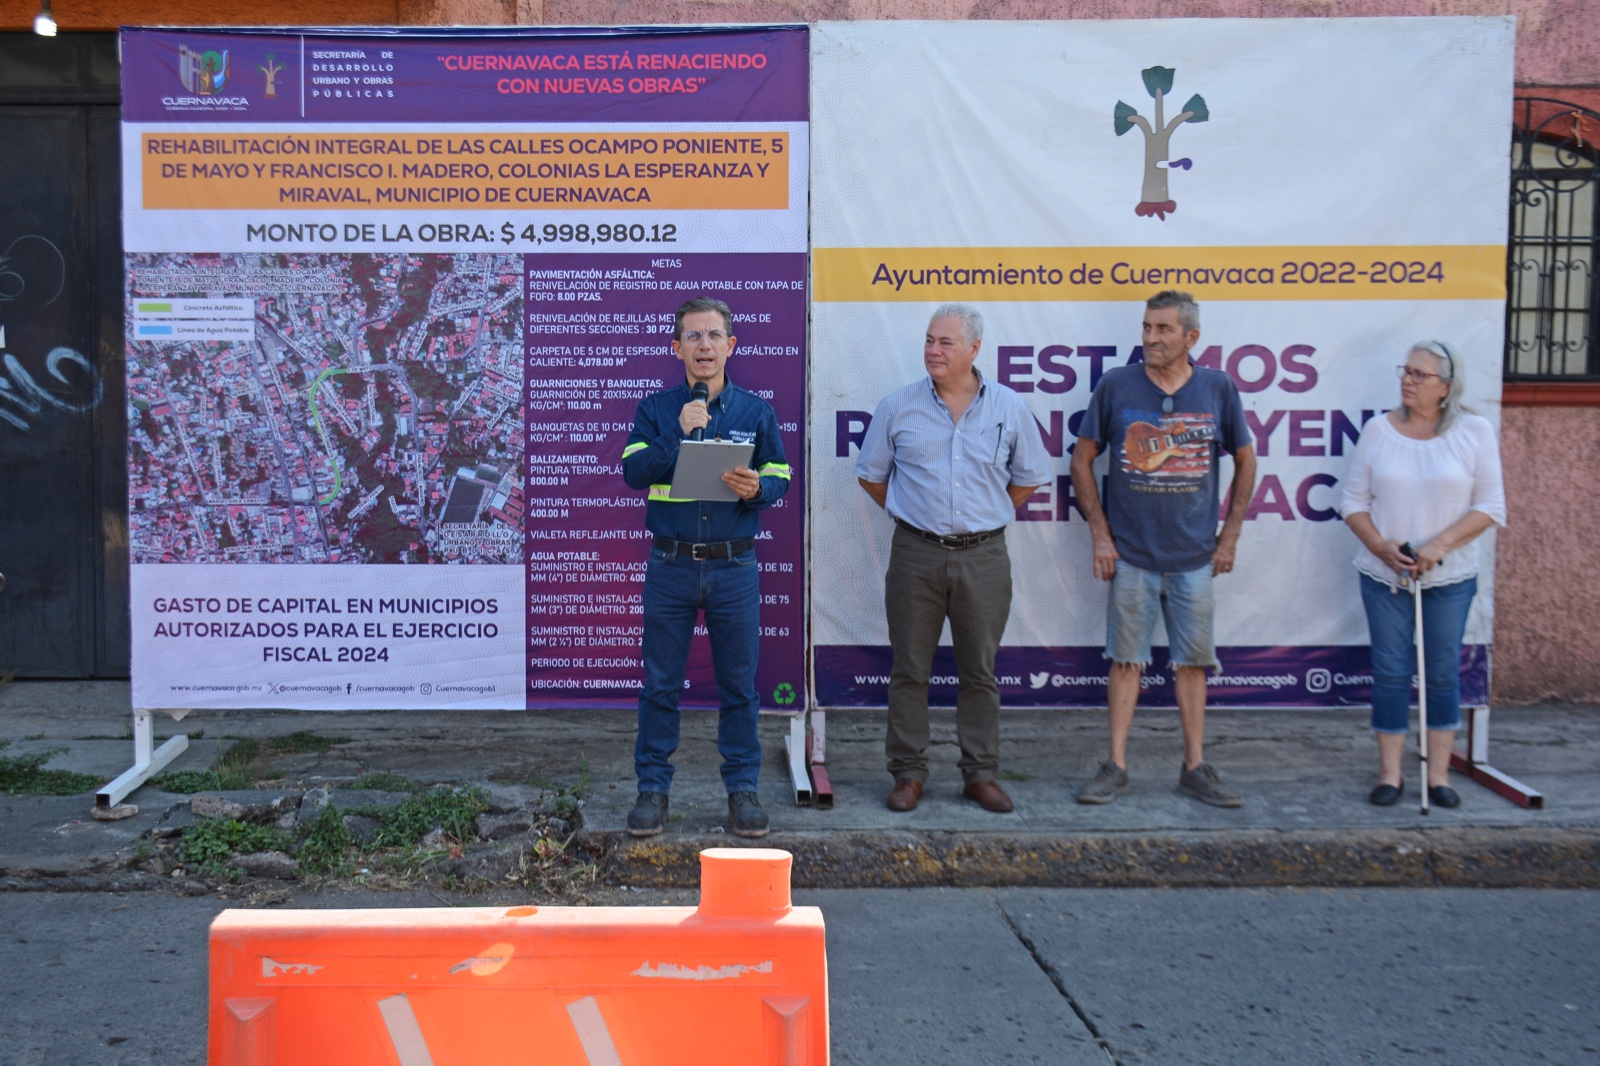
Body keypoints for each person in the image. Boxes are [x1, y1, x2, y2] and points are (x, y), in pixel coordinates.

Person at [855, 303, 1052, 813]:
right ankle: (907, 773)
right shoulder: (898, 406)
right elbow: (871, 475)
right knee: (909, 669)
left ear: (974, 349)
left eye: (945, 342)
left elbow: (1030, 476)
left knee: (979, 672)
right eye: (929, 340)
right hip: (915, 554)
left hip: (984, 557)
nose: (933, 350)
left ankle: (980, 774)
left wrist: (988, 514)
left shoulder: (1009, 407)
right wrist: (911, 513)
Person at [1069, 290, 1256, 807]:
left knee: (1193, 663)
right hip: (1131, 556)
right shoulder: (1116, 385)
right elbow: (1081, 460)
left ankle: (1195, 767)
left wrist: (1230, 537)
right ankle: (1115, 766)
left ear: (1191, 337)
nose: (1150, 338)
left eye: (1163, 329)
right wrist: (1101, 534)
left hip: (1195, 558)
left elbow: (1246, 460)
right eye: (1147, 327)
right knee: (1125, 660)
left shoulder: (1218, 388)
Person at [619, 296, 792, 837]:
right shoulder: (656, 409)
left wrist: (759, 488)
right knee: (660, 685)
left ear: (730, 345)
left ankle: (743, 792)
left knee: (739, 688)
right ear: (677, 348)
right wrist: (677, 431)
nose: (704, 346)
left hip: (733, 568)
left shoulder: (756, 412)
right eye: (693, 336)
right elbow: (633, 473)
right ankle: (653, 791)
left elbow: (781, 473)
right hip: (670, 565)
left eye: (714, 335)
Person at [1340, 341, 1504, 808]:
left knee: (1442, 674)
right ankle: (1390, 774)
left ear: (1447, 387)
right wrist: (1380, 546)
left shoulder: (1474, 431)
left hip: (1449, 577)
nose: (1407, 380)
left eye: (1420, 374)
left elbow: (1490, 506)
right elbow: (1352, 502)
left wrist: (1438, 546)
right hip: (1385, 575)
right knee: (1390, 672)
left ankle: (1439, 776)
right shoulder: (1378, 430)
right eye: (1406, 371)